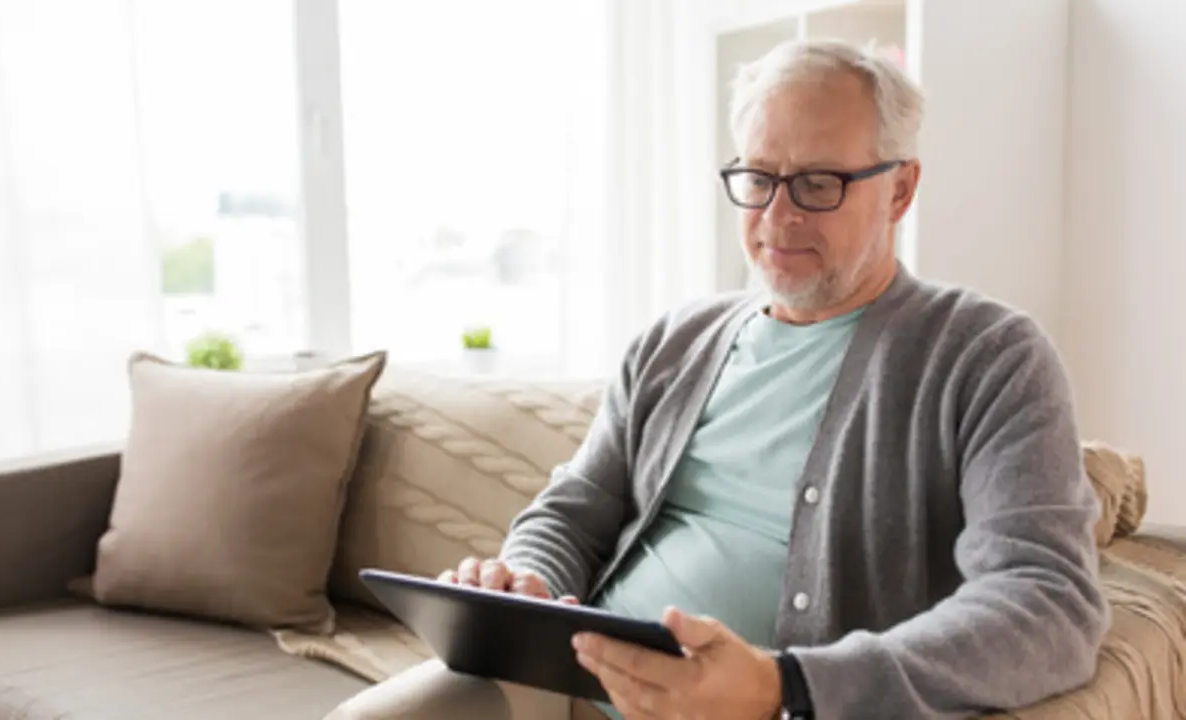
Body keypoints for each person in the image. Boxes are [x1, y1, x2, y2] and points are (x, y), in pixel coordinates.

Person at [331, 38, 1108, 720]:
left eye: (819, 183)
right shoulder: (675, 341)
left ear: (900, 188)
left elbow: (1049, 605)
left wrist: (787, 687)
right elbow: (572, 512)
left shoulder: (987, 354)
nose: (778, 215)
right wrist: (525, 582)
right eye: (759, 177)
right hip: (562, 681)